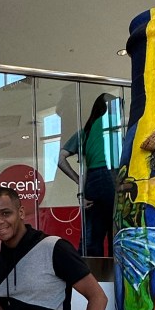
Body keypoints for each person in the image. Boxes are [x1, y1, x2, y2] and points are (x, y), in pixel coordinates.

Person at [57, 92, 118, 256]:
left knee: (91, 237)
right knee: (117, 231)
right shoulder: (113, 123)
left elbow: (61, 159)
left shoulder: (85, 132)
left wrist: (80, 188)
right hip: (112, 175)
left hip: (92, 180)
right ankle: (115, 270)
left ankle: (89, 269)